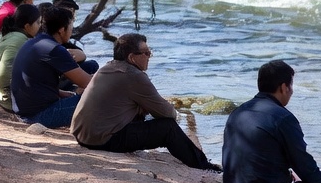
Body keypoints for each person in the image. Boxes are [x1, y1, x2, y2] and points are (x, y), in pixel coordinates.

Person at [71, 33, 219, 171]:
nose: (150, 56)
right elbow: (168, 113)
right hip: (101, 140)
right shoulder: (133, 75)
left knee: (142, 112)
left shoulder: (107, 67)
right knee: (168, 128)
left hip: (83, 136)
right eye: (146, 53)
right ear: (132, 57)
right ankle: (203, 166)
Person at [10, 5, 91, 128]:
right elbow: (88, 83)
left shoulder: (33, 42)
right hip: (38, 116)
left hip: (23, 111)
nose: (72, 30)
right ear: (61, 30)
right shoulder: (55, 49)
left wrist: (60, 93)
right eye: (71, 26)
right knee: (98, 98)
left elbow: (34, 81)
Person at [0, 3, 40, 111]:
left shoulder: (9, 35)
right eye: (38, 22)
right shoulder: (20, 40)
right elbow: (4, 77)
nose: (40, 26)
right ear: (27, 26)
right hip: (9, 101)